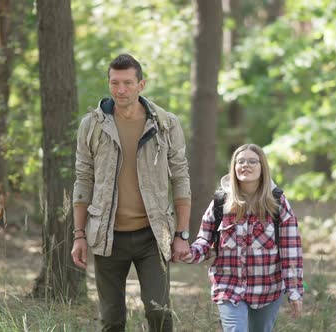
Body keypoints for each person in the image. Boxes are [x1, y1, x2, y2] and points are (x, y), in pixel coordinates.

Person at [71, 53, 191, 332]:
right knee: (111, 319)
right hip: (107, 235)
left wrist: (181, 235)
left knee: (158, 311)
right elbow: (83, 179)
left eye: (127, 83)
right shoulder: (92, 125)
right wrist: (79, 235)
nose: (120, 90)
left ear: (141, 84)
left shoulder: (166, 124)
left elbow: (181, 178)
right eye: (114, 83)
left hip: (153, 235)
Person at [183, 143, 303, 332]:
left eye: (252, 161)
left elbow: (291, 254)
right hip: (228, 286)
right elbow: (205, 241)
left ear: (262, 167)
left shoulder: (278, 204)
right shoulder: (221, 202)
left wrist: (294, 292)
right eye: (240, 161)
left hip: (268, 289)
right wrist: (191, 254)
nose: (245, 165)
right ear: (234, 167)